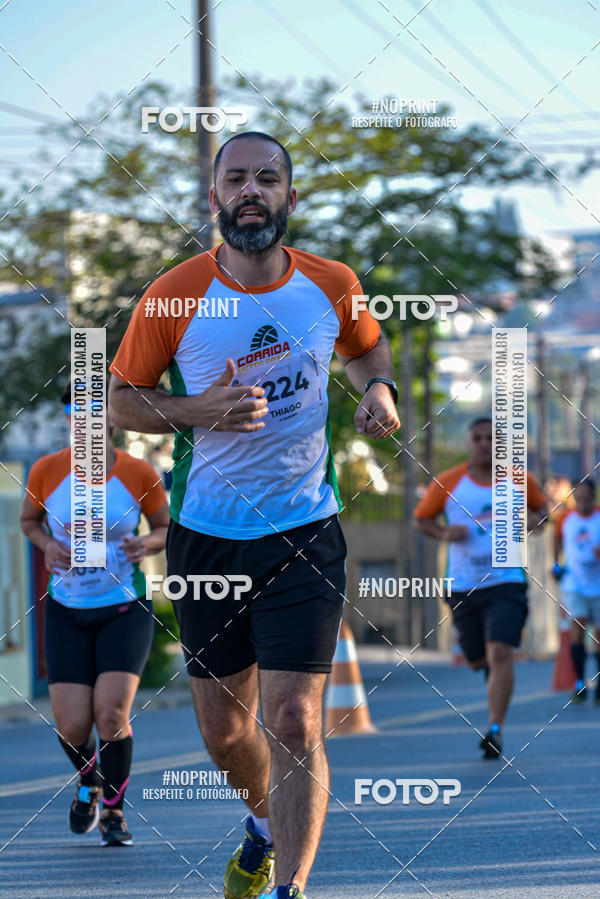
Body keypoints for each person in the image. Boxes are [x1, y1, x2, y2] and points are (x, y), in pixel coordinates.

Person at [108, 130, 400, 898]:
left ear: (289, 198)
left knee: (296, 721)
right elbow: (115, 399)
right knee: (225, 730)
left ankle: (290, 888)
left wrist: (379, 390)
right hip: (206, 540)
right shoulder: (174, 294)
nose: (250, 191)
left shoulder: (332, 284)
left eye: (266, 178)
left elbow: (370, 348)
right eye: (235, 178)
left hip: (305, 531)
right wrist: (194, 407)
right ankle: (264, 827)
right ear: (214, 199)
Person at [20, 383, 169, 845]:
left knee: (110, 715)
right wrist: (48, 546)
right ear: (68, 419)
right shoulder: (47, 471)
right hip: (67, 608)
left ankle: (113, 811)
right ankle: (89, 779)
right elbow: (29, 521)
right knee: (71, 725)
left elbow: (166, 527)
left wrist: (146, 543)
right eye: (76, 415)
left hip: (124, 607)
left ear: (110, 418)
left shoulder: (138, 472)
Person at [414, 416, 546, 760]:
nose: (485, 444)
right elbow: (422, 518)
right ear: (467, 443)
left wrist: (534, 521)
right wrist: (444, 534)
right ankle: (489, 671)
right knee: (479, 659)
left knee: (500, 651)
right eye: (478, 438)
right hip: (464, 585)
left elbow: (542, 513)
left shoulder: (518, 479)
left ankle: (495, 729)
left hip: (507, 580)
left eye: (491, 438)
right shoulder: (448, 482)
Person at [553, 477, 600, 703]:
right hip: (575, 584)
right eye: (578, 498)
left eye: (587, 498)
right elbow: (557, 540)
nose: (583, 503)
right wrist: (556, 565)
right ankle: (580, 684)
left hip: (598, 585)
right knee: (578, 630)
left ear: (594, 497)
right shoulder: (565, 519)